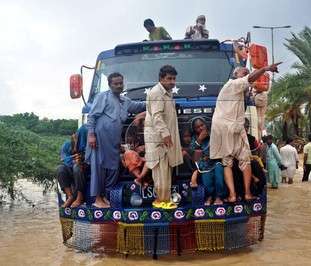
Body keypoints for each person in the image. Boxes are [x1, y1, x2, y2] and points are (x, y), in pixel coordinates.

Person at [210, 63, 280, 202]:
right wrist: (265, 69)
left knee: (235, 161)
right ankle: (241, 194)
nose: (247, 75)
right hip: (228, 127)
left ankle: (235, 195)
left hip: (228, 127)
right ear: (235, 75)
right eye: (244, 72)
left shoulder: (236, 90)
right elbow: (249, 79)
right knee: (237, 160)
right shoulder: (233, 84)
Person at [86, 72, 146, 208]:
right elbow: (92, 116)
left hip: (114, 141)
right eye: (116, 84)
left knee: (113, 168)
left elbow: (139, 106)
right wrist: (91, 134)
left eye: (120, 83)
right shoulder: (102, 97)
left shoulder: (125, 101)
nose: (119, 86)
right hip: (100, 137)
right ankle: (97, 199)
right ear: (109, 85)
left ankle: (105, 196)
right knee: (99, 168)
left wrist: (155, 101)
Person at [144, 65, 183, 209]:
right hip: (159, 139)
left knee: (166, 169)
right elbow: (157, 116)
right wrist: (165, 134)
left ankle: (164, 199)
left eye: (174, 79)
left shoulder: (166, 92)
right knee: (160, 170)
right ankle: (161, 201)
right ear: (161, 79)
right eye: (169, 79)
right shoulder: (157, 93)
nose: (172, 82)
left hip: (164, 138)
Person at [190, 117, 225, 205]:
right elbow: (192, 150)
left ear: (206, 124)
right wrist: (200, 139)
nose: (201, 128)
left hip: (216, 161)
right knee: (207, 181)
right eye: (198, 127)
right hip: (204, 164)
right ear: (194, 129)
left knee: (219, 176)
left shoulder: (213, 133)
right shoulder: (194, 138)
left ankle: (218, 197)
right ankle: (209, 197)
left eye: (202, 125)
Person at [57, 125, 88, 208]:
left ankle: (80, 196)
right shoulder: (66, 145)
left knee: (77, 167)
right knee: (60, 168)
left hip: (83, 169)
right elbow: (64, 159)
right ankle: (70, 196)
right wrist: (74, 161)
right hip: (70, 168)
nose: (76, 138)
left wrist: (82, 160)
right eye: (75, 136)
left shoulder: (85, 145)